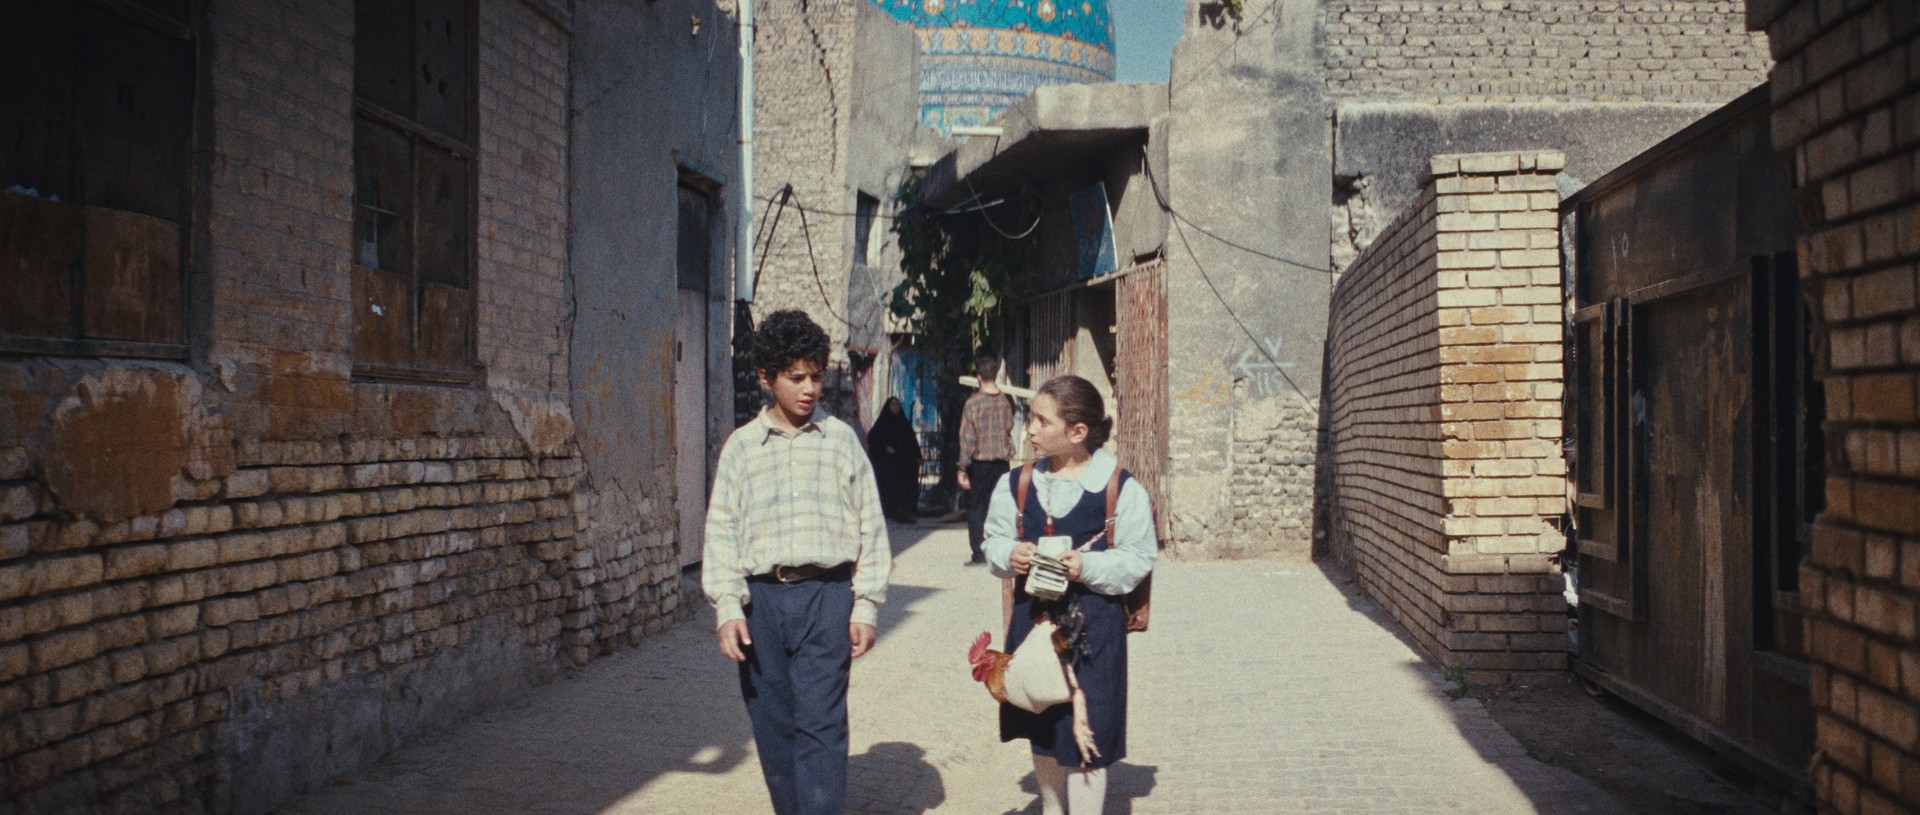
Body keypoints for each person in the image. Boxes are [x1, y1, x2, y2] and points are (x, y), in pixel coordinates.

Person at [703, 309, 892, 815]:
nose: (810, 388)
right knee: (772, 722)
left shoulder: (842, 442)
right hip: (760, 601)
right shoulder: (742, 448)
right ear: (767, 379)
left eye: (815, 375)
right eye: (796, 377)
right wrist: (727, 607)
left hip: (827, 597)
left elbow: (871, 527)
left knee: (823, 723)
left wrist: (865, 605)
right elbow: (721, 531)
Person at [982, 375, 1156, 815]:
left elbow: (1139, 559)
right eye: (1031, 419)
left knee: (1087, 735)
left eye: (1042, 421)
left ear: (1077, 432)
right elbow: (993, 542)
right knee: (1042, 726)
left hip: (1095, 630)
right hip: (1033, 622)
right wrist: (1011, 554)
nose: (1030, 430)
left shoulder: (1120, 488)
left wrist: (1087, 566)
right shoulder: (1017, 484)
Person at [957, 354, 1016, 565]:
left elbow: (967, 437)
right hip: (1001, 463)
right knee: (1000, 506)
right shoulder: (1006, 401)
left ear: (979, 377)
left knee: (976, 509)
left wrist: (962, 467)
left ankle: (978, 553)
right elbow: (1010, 428)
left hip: (979, 463)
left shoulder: (973, 404)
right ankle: (999, 550)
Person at [866, 396, 923, 523]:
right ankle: (889, 510)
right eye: (893, 405)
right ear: (888, 407)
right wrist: (885, 448)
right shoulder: (882, 423)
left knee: (905, 483)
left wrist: (917, 456)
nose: (895, 407)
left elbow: (912, 441)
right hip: (888, 463)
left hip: (902, 462)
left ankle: (905, 511)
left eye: (897, 405)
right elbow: (872, 439)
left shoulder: (903, 423)